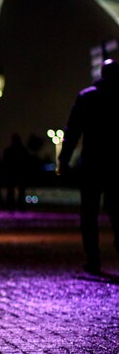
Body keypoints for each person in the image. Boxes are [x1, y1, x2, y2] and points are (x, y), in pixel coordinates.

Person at [58, 58, 119, 274]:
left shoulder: (87, 97)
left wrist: (63, 159)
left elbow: (72, 131)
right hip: (116, 164)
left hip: (93, 162)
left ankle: (93, 259)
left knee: (89, 213)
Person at [2, 133, 30, 212]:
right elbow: (27, 163)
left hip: (11, 174)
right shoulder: (23, 150)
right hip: (20, 174)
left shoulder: (8, 151)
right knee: (21, 192)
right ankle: (20, 206)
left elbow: (5, 163)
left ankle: (11, 207)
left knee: (11, 191)